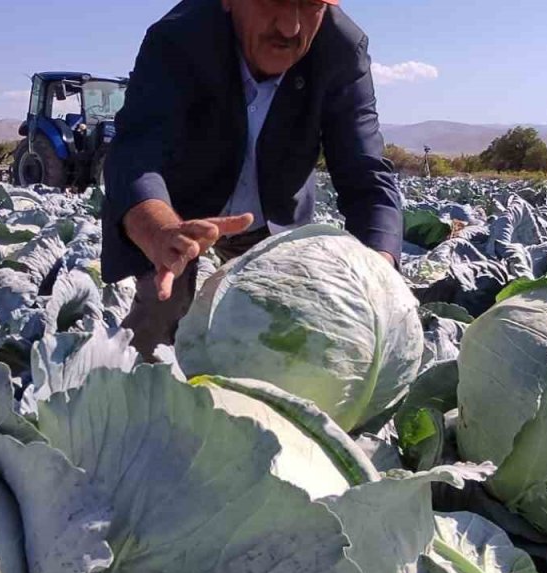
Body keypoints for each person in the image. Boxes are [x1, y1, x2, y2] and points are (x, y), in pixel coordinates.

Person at [101, 0, 403, 357]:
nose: (290, 27)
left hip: (271, 217)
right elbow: (136, 149)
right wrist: (158, 230)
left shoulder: (340, 48)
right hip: (183, 216)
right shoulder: (179, 38)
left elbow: (365, 173)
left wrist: (378, 270)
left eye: (310, 6)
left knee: (278, 343)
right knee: (157, 318)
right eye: (274, 1)